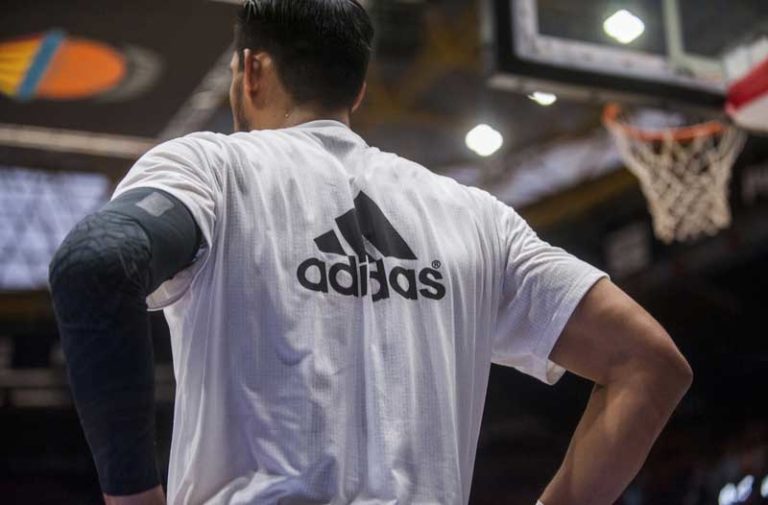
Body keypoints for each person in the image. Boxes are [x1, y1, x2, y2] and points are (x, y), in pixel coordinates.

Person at [48, 1, 693, 504]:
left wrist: (134, 496)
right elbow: (651, 364)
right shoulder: (474, 216)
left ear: (250, 70)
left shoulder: (214, 168)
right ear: (357, 90)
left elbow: (95, 263)